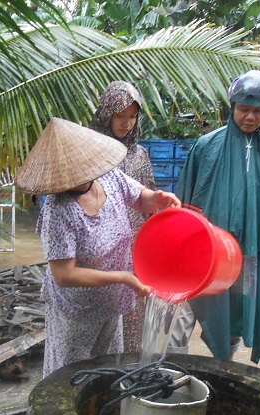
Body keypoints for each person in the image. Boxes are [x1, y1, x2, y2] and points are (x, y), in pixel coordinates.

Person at [14, 117, 180, 376]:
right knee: (70, 378)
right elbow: (64, 275)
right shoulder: (58, 210)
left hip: (111, 303)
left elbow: (140, 198)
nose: (79, 175)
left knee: (106, 372)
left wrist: (158, 198)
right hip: (76, 313)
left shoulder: (109, 176)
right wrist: (123, 277)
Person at [173, 70, 260, 364]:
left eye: (257, 111)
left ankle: (223, 366)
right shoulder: (207, 145)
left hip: (250, 252)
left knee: (241, 306)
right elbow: (187, 198)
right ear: (233, 108)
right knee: (187, 307)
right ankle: (172, 367)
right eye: (243, 109)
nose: (249, 117)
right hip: (209, 250)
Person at [89, 81, 157, 354]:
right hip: (99, 246)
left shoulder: (140, 154)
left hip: (135, 247)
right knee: (100, 309)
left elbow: (148, 199)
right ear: (106, 113)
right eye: (120, 116)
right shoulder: (90, 151)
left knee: (132, 311)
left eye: (132, 117)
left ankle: (126, 366)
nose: (126, 123)